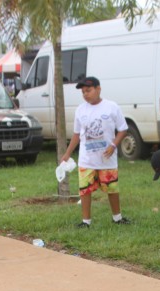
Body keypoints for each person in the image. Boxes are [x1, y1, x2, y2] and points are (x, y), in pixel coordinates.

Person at [61, 76, 130, 228]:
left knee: (112, 188)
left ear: (98, 89)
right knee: (85, 190)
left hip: (107, 159)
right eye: (83, 92)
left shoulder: (111, 107)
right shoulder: (80, 110)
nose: (86, 94)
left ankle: (117, 218)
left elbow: (123, 129)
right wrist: (67, 153)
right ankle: (86, 222)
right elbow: (77, 134)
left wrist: (113, 145)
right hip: (87, 159)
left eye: (89, 90)